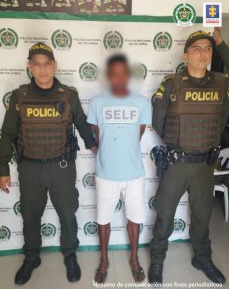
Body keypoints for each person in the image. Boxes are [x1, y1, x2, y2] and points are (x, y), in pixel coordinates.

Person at [0, 42, 97, 285]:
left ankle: (70, 255)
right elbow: (7, 135)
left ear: (54, 66)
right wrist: (2, 169)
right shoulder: (19, 97)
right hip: (30, 168)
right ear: (29, 67)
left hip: (61, 168)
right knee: (31, 216)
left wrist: (95, 146)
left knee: (67, 214)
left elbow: (83, 125)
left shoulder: (68, 95)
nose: (42, 69)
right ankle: (32, 257)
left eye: (47, 64)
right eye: (37, 64)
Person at [148, 31, 229, 285]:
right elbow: (158, 122)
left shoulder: (221, 83)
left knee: (203, 215)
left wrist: (221, 43)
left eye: (208, 48)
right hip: (177, 164)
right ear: (186, 55)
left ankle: (202, 258)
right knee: (164, 214)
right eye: (197, 48)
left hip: (205, 164)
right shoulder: (172, 84)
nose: (203, 53)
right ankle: (158, 260)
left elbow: (222, 119)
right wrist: (178, 144)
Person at [87, 54, 151, 285]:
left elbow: (139, 133)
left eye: (123, 72)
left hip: (134, 174)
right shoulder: (96, 103)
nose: (118, 77)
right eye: (113, 73)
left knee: (134, 218)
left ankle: (134, 260)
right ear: (108, 76)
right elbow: (96, 133)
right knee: (103, 219)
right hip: (106, 174)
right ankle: (104, 262)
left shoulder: (142, 103)